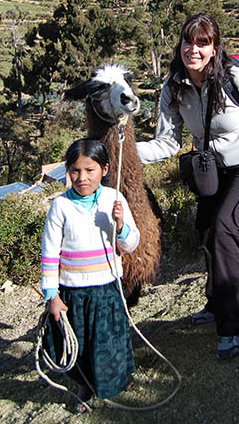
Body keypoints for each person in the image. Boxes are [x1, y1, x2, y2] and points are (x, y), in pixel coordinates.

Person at [136, 12, 239, 360]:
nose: (194, 49)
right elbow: (166, 144)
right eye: (189, 41)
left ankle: (231, 327)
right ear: (180, 46)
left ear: (215, 48)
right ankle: (215, 303)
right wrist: (121, 150)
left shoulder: (235, 78)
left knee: (223, 230)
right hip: (213, 169)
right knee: (204, 231)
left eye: (203, 43)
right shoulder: (173, 87)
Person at [41, 138, 140, 408]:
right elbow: (50, 253)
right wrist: (52, 295)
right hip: (73, 291)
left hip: (107, 287)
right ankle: (85, 386)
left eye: (90, 170)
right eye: (75, 171)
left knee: (110, 340)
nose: (82, 178)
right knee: (81, 344)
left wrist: (120, 225)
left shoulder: (113, 199)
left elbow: (130, 245)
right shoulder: (60, 206)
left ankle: (118, 379)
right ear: (68, 171)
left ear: (105, 170)